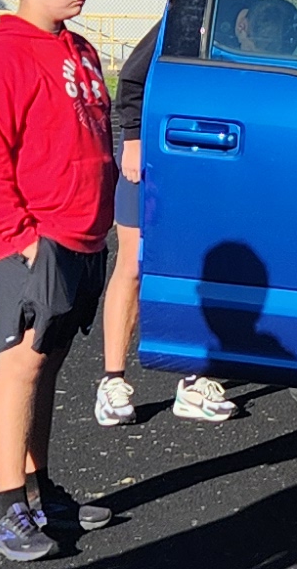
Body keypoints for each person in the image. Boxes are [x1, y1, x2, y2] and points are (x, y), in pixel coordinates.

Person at [0, 0, 119, 565]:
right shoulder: (5, 54)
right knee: (20, 364)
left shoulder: (78, 50)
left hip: (82, 236)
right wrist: (18, 236)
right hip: (34, 241)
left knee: (46, 364)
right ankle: (6, 510)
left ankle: (39, 489)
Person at [94, 26, 236, 429]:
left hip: (202, 162)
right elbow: (133, 77)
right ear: (240, 22)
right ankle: (113, 381)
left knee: (194, 268)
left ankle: (192, 379)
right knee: (134, 264)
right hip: (154, 156)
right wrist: (134, 138)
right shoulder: (185, 16)